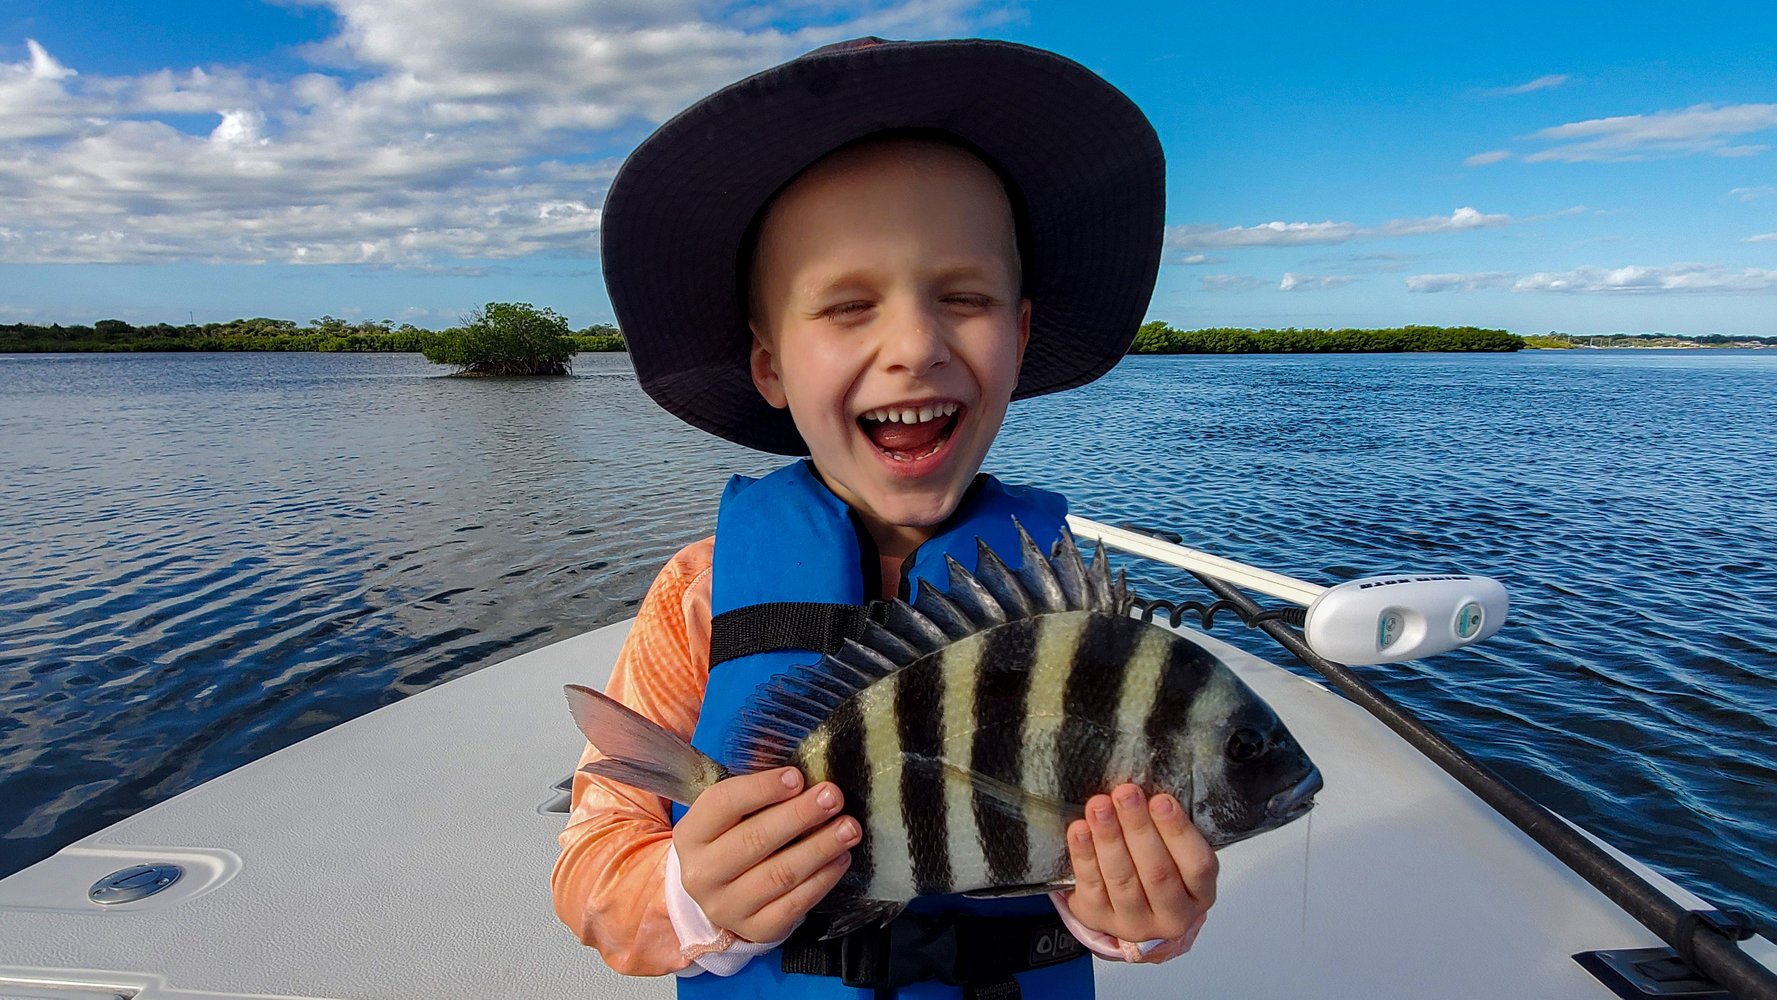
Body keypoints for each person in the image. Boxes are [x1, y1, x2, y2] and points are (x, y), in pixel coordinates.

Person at [552, 37, 1217, 998]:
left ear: (1019, 336)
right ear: (770, 362)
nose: (914, 345)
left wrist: (1138, 917)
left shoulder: (1078, 625)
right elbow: (592, 866)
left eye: (964, 297)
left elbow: (1108, 850)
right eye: (847, 305)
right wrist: (691, 891)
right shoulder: (700, 594)